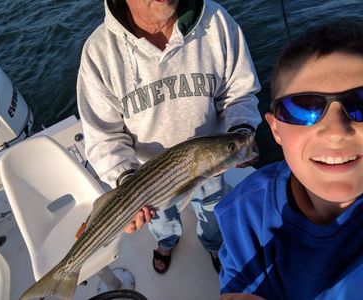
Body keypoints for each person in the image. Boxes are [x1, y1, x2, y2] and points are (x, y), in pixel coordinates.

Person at [77, 0, 261, 274]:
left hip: (210, 167)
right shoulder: (99, 53)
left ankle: (213, 244)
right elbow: (103, 135)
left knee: (212, 208)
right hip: (146, 179)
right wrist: (128, 181)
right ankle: (167, 242)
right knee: (161, 218)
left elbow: (240, 91)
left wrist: (240, 129)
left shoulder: (217, 21)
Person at [214, 20, 363, 299]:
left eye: (360, 104)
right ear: (275, 130)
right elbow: (240, 280)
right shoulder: (243, 210)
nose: (335, 131)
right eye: (302, 108)